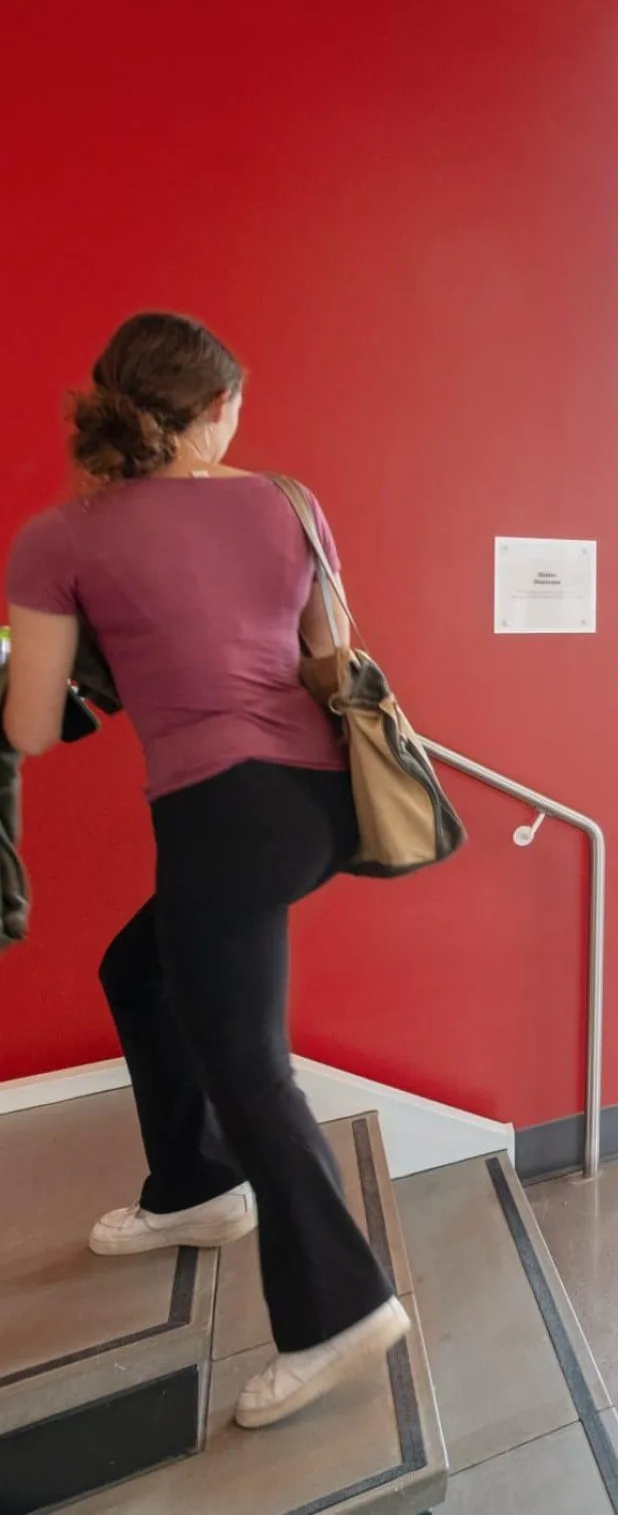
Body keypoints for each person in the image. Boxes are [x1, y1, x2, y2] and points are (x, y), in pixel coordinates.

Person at [3, 313, 406, 1431]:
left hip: (219, 814)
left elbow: (32, 728)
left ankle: (341, 1309)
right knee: (142, 971)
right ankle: (193, 1184)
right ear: (214, 406)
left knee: (251, 1067)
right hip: (316, 805)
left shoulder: (58, 537)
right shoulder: (287, 499)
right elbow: (332, 639)